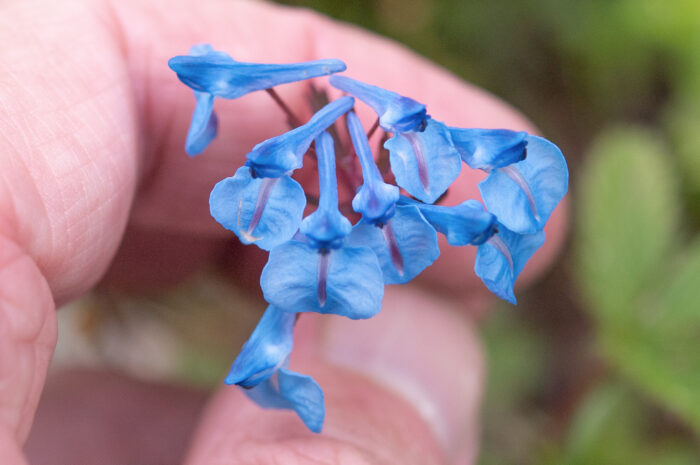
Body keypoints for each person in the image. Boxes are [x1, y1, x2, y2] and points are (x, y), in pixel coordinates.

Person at [0, 0, 566, 463]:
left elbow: (396, 218)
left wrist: (382, 193)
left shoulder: (402, 162)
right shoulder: (297, 197)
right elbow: (274, 227)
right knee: (305, 301)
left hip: (382, 218)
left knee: (454, 210)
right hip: (355, 229)